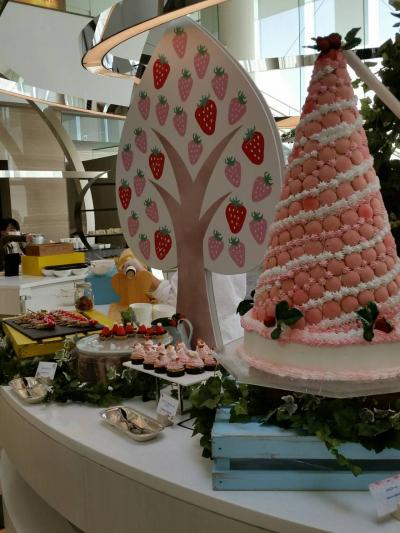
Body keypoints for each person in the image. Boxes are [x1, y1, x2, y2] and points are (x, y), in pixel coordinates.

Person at [151, 271, 246, 344]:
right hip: (234, 332)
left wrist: (151, 280)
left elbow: (177, 301)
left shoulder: (198, 255)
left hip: (204, 338)